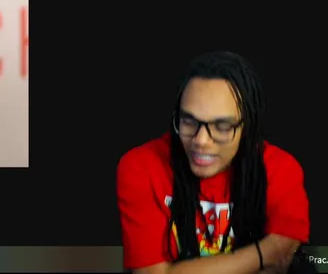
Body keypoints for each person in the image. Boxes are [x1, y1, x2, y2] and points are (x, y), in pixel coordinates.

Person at [116, 51, 310, 274]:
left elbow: (282, 260)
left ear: (248, 127)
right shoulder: (141, 167)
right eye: (189, 121)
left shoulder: (281, 169)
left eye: (222, 126)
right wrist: (263, 253)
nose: (200, 141)